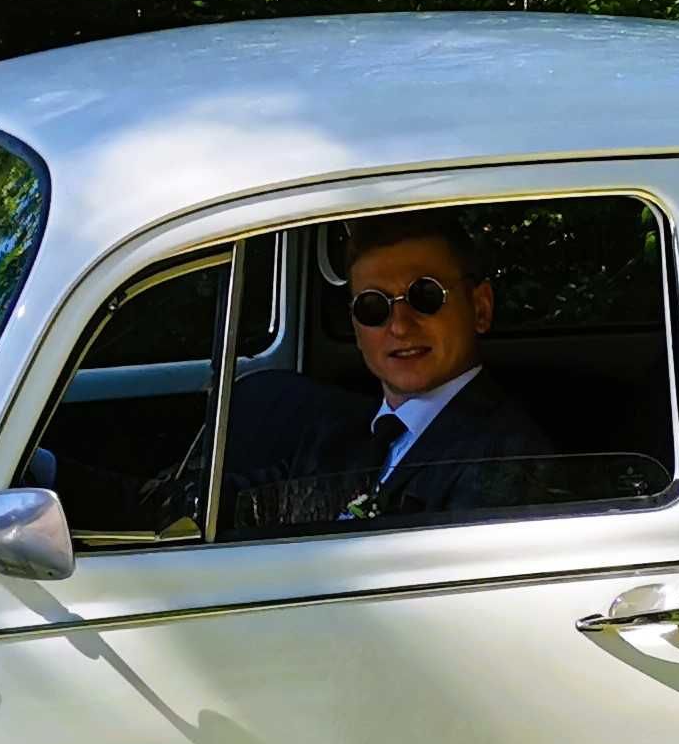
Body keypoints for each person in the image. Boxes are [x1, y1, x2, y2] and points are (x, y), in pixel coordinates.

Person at [211, 212, 558, 530]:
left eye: (425, 296)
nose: (400, 327)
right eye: (373, 306)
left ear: (480, 308)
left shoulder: (510, 459)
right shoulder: (338, 432)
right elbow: (250, 502)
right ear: (356, 327)